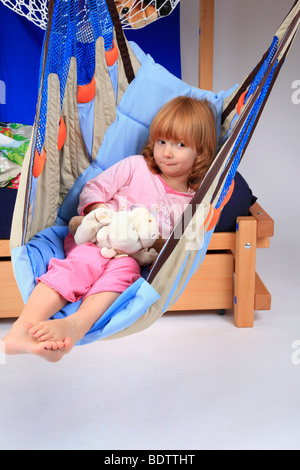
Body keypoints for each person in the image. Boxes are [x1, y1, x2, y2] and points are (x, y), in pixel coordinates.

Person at [2, 96, 217, 362]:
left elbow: (183, 246)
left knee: (125, 273)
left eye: (180, 145)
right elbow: (93, 188)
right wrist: (100, 215)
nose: (167, 152)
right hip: (95, 237)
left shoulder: (192, 203)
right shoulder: (136, 166)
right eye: (162, 141)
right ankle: (22, 327)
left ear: (202, 152)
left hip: (130, 257)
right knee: (82, 263)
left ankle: (75, 326)